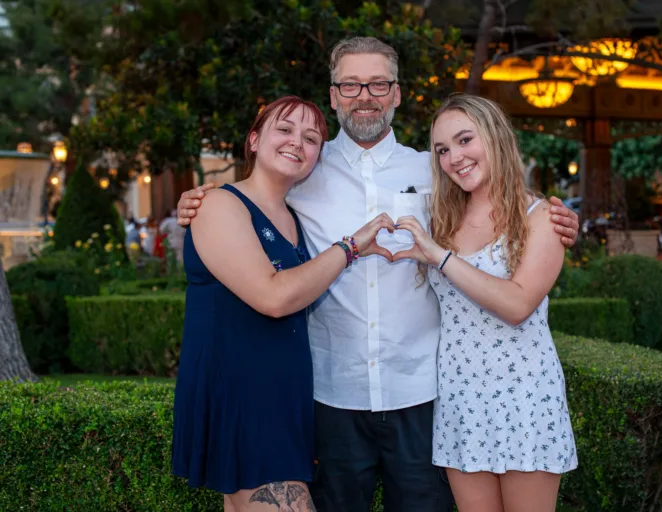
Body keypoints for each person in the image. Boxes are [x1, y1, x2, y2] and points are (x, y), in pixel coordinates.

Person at [176, 37, 580, 512]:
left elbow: (495, 197)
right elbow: (253, 205)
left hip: (422, 391)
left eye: (377, 84)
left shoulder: (436, 169)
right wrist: (200, 200)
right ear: (333, 95)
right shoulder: (303, 165)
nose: (364, 95)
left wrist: (556, 220)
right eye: (350, 84)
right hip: (332, 392)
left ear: (397, 94)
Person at [171, 95, 395, 512]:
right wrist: (351, 245)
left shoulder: (294, 215)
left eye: (312, 138)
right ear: (254, 140)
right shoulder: (219, 204)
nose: (298, 142)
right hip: (243, 394)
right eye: (285, 129)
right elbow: (273, 297)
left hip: (283, 396)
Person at [392, 94, 577, 511]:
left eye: (464, 140)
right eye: (442, 150)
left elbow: (517, 305)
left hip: (526, 398)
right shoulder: (439, 218)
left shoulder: (541, 217)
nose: (454, 157)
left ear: (494, 137)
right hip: (460, 399)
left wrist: (439, 256)